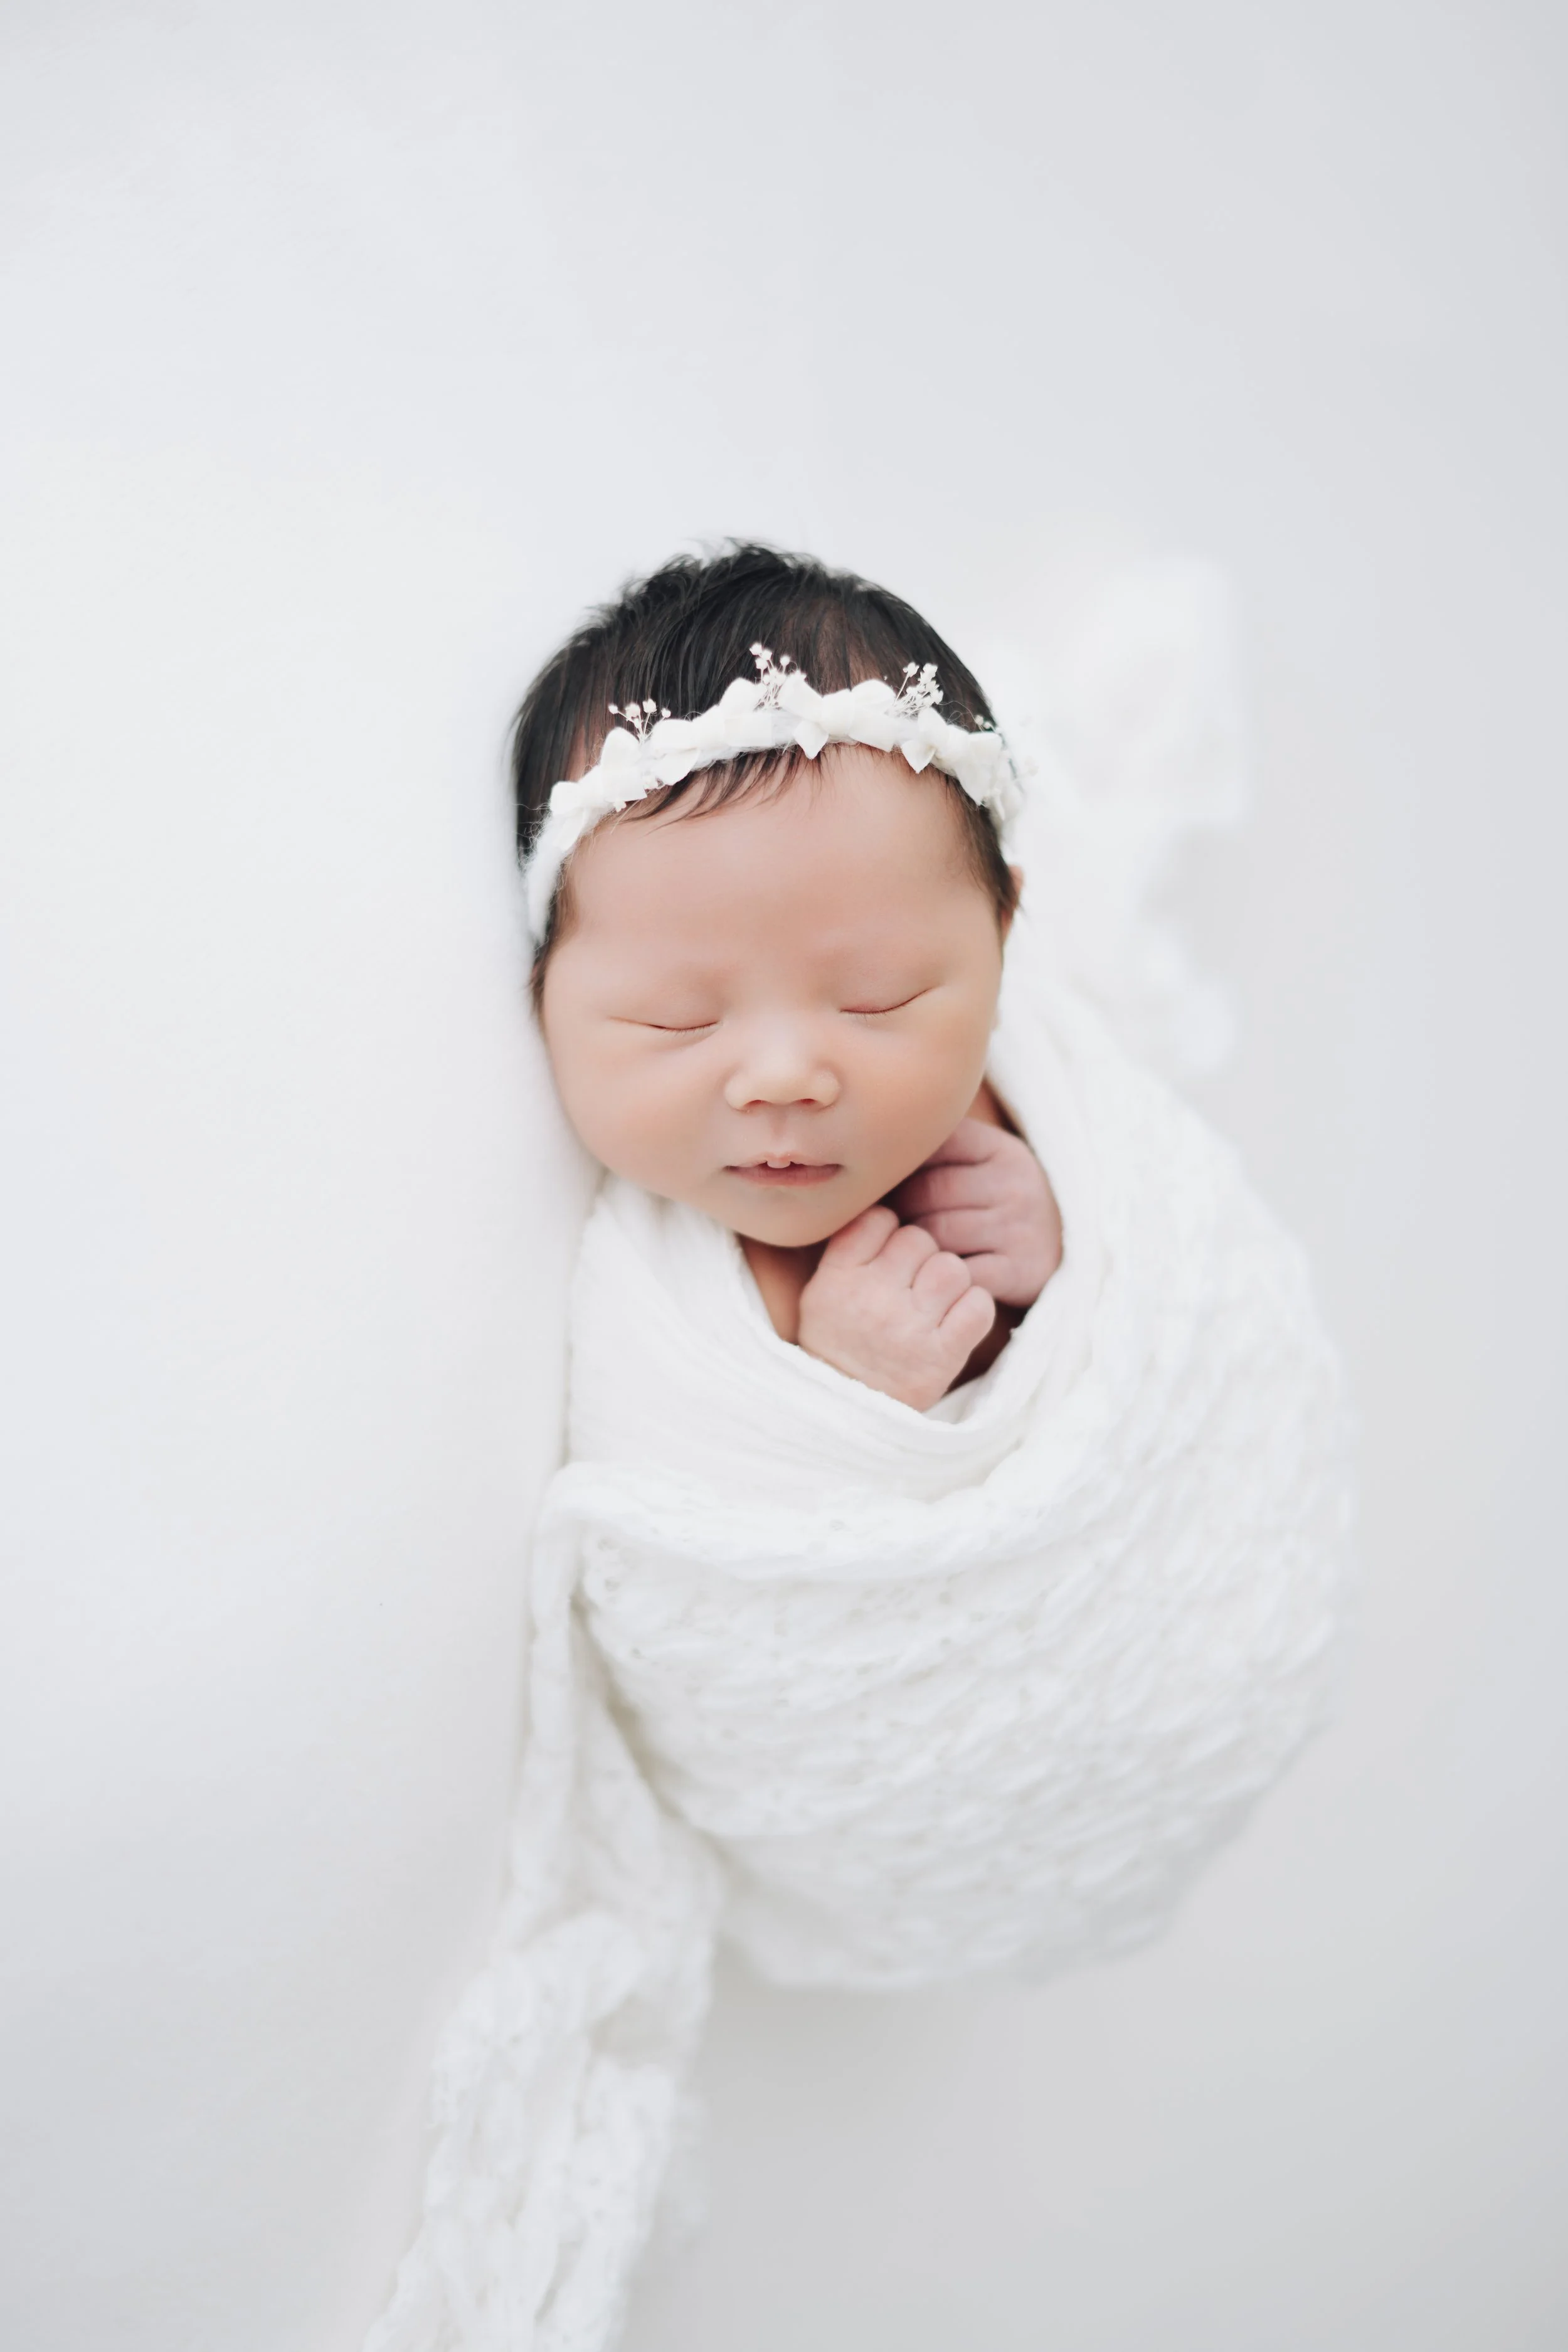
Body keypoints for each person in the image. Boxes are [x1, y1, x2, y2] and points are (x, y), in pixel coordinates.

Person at [366, 546, 1352, 2352]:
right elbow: (692, 1556)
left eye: (885, 996)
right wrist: (839, 1410)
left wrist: (1067, 1264)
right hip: (886, 1784)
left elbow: (1191, 1310)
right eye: (674, 1018)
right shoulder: (654, 1289)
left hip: (1181, 1658)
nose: (784, 1075)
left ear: (1004, 934)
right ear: (539, 998)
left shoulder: (1041, 1113)